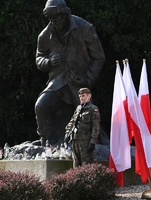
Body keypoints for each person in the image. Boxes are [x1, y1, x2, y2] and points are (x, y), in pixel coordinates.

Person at [35, 0, 105, 146]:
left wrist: (87, 79)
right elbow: (39, 58)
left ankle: (91, 145)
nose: (55, 21)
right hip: (58, 83)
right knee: (40, 106)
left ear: (65, 14)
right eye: (51, 18)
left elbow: (98, 57)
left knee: (88, 117)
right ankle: (47, 142)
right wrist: (49, 61)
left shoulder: (84, 28)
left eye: (58, 17)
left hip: (79, 82)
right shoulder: (45, 35)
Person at [64, 88, 100, 167]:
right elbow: (72, 121)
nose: (81, 98)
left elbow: (95, 127)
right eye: (80, 96)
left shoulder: (93, 109)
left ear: (89, 96)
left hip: (85, 142)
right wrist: (67, 134)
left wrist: (92, 142)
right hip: (75, 140)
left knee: (86, 165)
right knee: (76, 164)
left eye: (83, 96)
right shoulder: (79, 108)